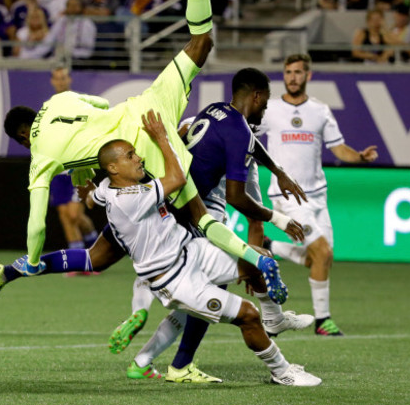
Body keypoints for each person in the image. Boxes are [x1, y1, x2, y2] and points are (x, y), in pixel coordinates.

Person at [0, 0, 288, 309]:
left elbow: (37, 224)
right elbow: (97, 106)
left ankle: (256, 259)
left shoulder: (40, 156)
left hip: (140, 146)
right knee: (201, 42)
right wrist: (85, 175)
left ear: (23, 138)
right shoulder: (57, 102)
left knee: (199, 217)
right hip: (145, 104)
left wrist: (29, 261)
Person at [110, 68, 314, 380]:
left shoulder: (214, 110)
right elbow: (237, 197)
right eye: (266, 101)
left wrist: (277, 169)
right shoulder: (239, 135)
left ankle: (144, 358)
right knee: (207, 294)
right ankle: (180, 365)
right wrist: (280, 218)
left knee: (199, 293)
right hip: (195, 217)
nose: (266, 107)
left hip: (171, 207)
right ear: (256, 96)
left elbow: (246, 139)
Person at [259, 53, 379, 336]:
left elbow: (338, 148)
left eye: (298, 72)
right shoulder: (270, 110)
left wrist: (360, 157)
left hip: (317, 196)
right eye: (288, 72)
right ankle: (322, 320)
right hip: (287, 196)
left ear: (308, 76)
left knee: (321, 259)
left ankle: (272, 247)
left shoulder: (320, 111)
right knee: (322, 250)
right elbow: (247, 134)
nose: (292, 77)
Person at [47, 66, 98, 273]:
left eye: (63, 77)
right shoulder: (49, 108)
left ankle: (95, 250)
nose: (60, 81)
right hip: (58, 169)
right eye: (57, 78)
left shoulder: (79, 104)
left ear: (69, 79)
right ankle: (77, 263)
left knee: (76, 216)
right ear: (53, 81)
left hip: (78, 167)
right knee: (65, 216)